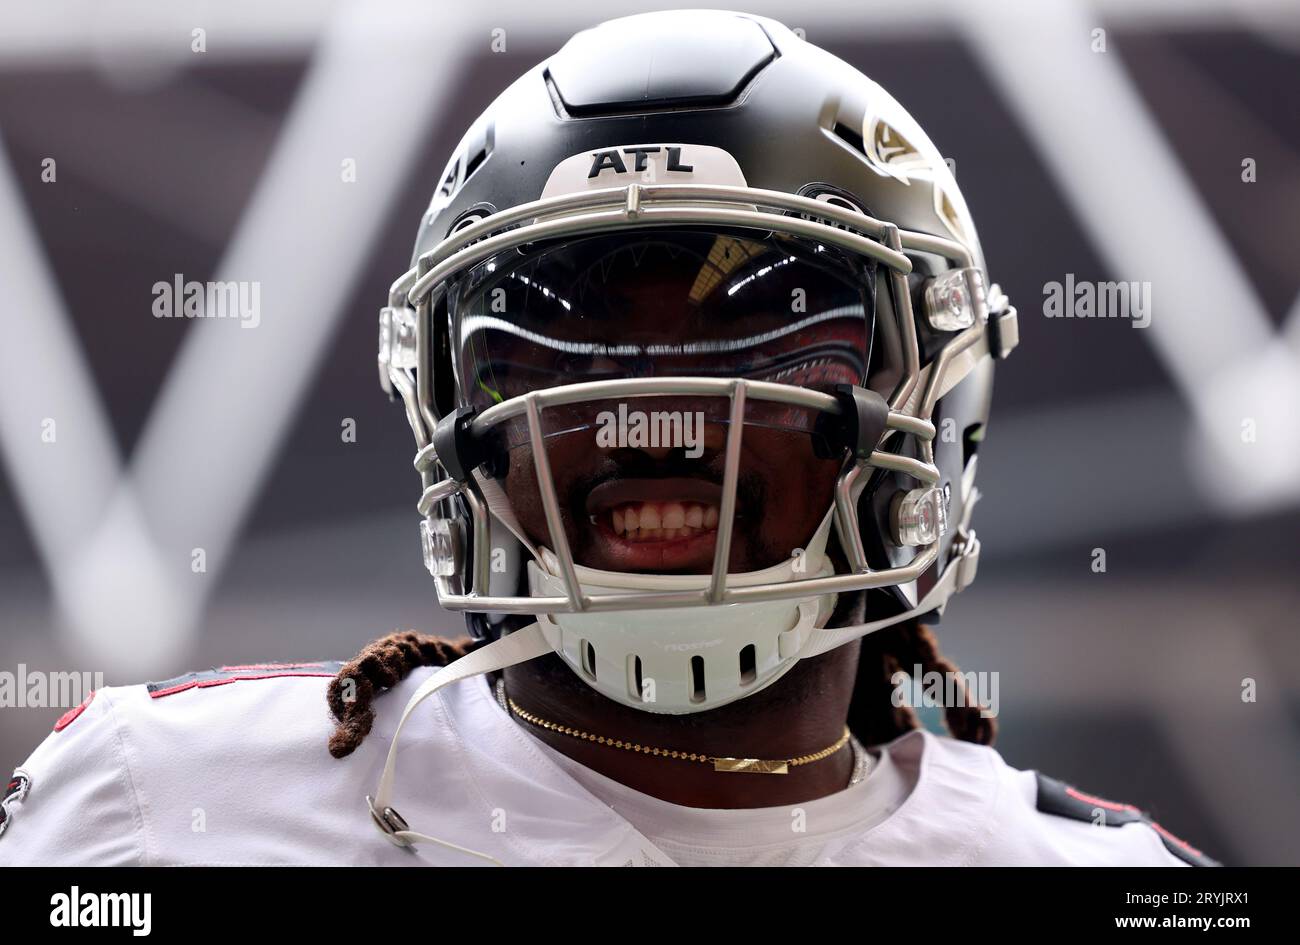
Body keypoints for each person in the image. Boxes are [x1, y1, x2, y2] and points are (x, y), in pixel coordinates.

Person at [0, 10, 1216, 867]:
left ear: (926, 393)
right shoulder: (152, 808)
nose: (658, 413)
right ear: (452, 406)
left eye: (761, 327)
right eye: (548, 339)